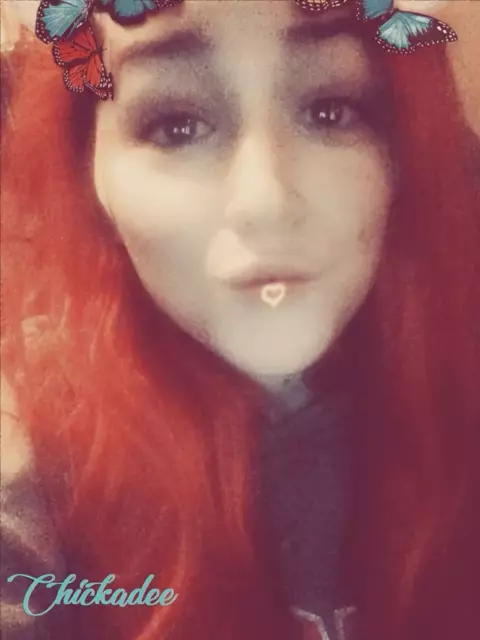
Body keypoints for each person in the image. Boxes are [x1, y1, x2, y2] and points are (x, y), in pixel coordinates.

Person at [1, 2, 479, 639]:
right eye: (176, 125)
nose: (266, 202)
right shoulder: (35, 485)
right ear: (90, 175)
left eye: (330, 110)